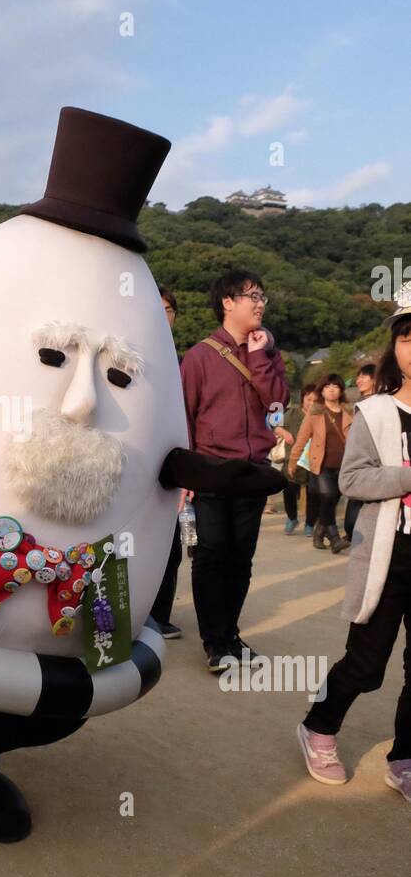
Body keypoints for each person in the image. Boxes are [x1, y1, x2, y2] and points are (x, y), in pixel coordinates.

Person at [297, 308, 411, 801]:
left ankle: (404, 755)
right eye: (408, 338)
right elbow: (354, 479)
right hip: (391, 551)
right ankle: (318, 726)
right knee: (365, 664)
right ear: (396, 350)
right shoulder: (378, 412)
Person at [181, 269, 289, 672]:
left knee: (241, 558)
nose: (260, 303)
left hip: (253, 470)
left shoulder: (268, 352)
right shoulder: (200, 356)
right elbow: (184, 417)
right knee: (211, 554)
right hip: (210, 469)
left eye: (262, 296)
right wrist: (185, 477)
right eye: (251, 296)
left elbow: (278, 404)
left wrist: (261, 357)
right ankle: (215, 643)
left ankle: (230, 634)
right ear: (227, 303)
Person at [288, 373, 353, 553]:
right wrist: (293, 461)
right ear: (322, 391)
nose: (331, 390)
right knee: (326, 496)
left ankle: (319, 530)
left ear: (341, 390)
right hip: (321, 464)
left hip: (344, 465)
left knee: (331, 501)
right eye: (327, 387)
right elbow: (301, 438)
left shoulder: (350, 411)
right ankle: (334, 538)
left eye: (335, 386)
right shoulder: (315, 412)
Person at [150, 287, 183, 638]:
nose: (161, 316)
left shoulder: (180, 362)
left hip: (167, 472)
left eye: (168, 310)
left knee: (168, 549)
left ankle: (158, 615)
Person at [274, 384, 318, 534]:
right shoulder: (292, 413)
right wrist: (285, 433)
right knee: (289, 488)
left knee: (314, 493)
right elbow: (275, 425)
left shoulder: (321, 415)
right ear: (302, 399)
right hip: (292, 459)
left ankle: (310, 524)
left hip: (314, 460)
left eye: (315, 399)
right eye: (308, 399)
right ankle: (292, 518)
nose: (311, 402)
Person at [344, 365, 376, 540]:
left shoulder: (383, 402)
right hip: (358, 460)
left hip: (376, 461)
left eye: (364, 377)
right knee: (351, 517)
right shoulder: (356, 403)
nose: (359, 380)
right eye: (358, 377)